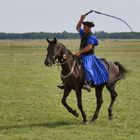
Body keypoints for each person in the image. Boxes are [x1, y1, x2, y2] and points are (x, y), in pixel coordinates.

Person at [58, 15, 109, 92]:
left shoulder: (91, 37)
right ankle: (66, 82)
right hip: (81, 55)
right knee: (69, 64)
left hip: (88, 56)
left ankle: (88, 83)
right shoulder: (83, 33)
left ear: (89, 28)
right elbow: (77, 28)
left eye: (85, 27)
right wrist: (81, 19)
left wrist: (79, 52)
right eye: (83, 27)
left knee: (87, 67)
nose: (83, 28)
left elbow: (89, 47)